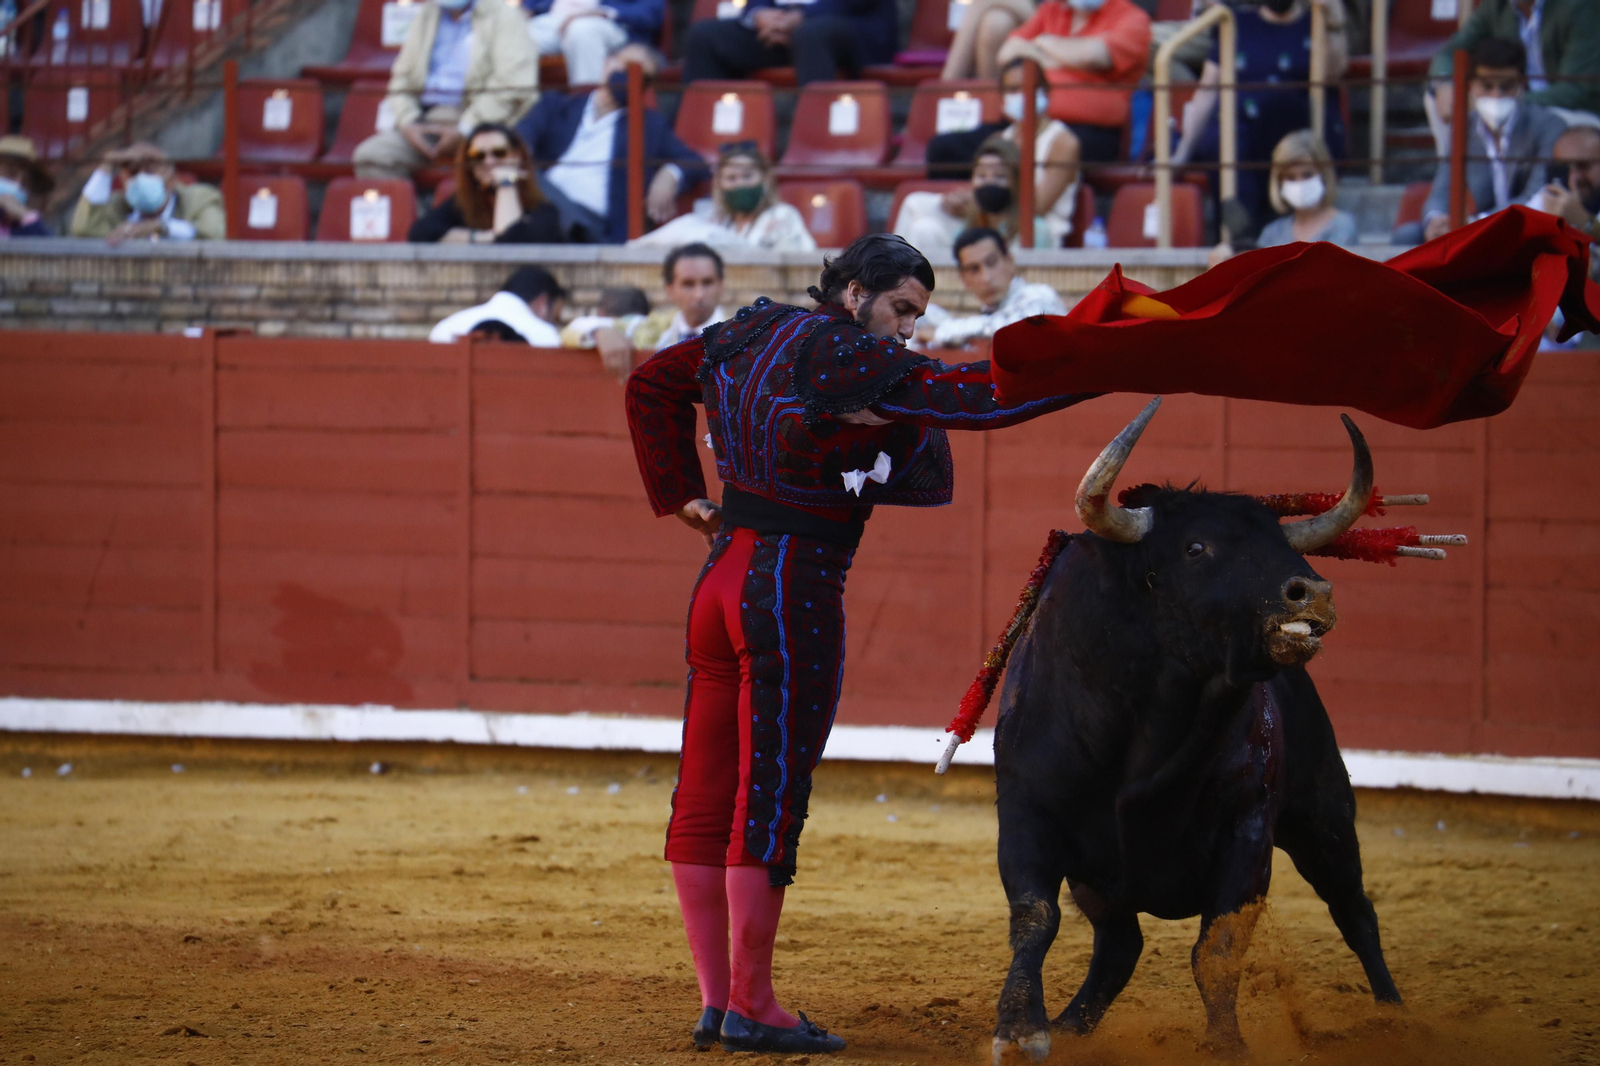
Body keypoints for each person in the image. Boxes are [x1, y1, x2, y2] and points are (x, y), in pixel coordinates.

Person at [624, 233, 1093, 1055]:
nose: (907, 329)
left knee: (706, 790)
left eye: (918, 313)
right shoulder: (845, 352)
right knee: (767, 793)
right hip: (790, 589)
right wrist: (1103, 365)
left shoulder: (746, 329)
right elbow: (980, 399)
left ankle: (717, 1002)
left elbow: (650, 383)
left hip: (721, 579)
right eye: (901, 309)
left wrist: (682, 500)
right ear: (853, 294)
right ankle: (753, 1005)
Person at [1172, 0, 1349, 231]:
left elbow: (1334, 74)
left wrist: (1334, 24)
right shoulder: (1235, 23)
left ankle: (1265, 230)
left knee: (1274, 110)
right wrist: (1181, 154)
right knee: (1219, 137)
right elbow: (1207, 90)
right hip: (1242, 133)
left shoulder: (1314, 22)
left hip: (1296, 127)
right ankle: (1240, 230)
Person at [515, 44, 709, 243]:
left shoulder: (649, 125)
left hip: (591, 225)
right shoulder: (556, 104)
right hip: (541, 204)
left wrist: (670, 174)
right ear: (607, 63)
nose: (631, 78)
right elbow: (519, 139)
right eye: (626, 67)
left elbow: (694, 162)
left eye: (643, 76)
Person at [353, 0, 538, 181]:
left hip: (477, 120)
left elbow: (513, 87)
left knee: (493, 160)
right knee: (371, 158)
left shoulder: (505, 16)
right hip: (423, 118)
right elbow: (401, 78)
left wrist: (466, 128)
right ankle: (415, 211)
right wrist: (409, 122)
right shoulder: (428, 13)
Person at [1415, 36, 1566, 244]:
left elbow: (1538, 195)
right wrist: (1434, 219)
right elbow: (1442, 187)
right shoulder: (1463, 127)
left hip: (1524, 231)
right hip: (1475, 230)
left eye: (1506, 87)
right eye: (1486, 86)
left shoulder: (1549, 126)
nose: (1496, 95)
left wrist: (1474, 223)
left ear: (1522, 84)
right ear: (1470, 86)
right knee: (1407, 235)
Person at [924, 58, 1084, 244]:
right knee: (919, 213)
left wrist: (977, 199)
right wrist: (958, 199)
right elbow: (982, 188)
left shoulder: (1063, 142)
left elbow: (1038, 205)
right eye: (1013, 90)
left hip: (1036, 234)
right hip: (989, 226)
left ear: (1045, 91)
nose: (1022, 96)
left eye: (1028, 88)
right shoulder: (999, 139)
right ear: (1002, 98)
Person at [993, 0, 1152, 171]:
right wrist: (1069, 57)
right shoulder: (1051, 9)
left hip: (1090, 131)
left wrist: (1044, 41)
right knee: (973, 147)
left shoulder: (1133, 18)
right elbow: (1007, 53)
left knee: (1037, 153)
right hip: (1023, 122)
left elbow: (1093, 56)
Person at [1427, 0, 1600, 133]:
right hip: (1513, 101)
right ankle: (1454, 174)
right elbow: (1449, 53)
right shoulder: (1496, 5)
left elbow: (1576, 90)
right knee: (1438, 98)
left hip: (1572, 111)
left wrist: (1506, 104)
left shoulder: (1580, 5)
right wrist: (1445, 83)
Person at [565, 243, 730, 377]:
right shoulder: (652, 327)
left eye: (707, 283)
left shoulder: (741, 332)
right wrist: (600, 332)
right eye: (688, 284)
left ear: (721, 286)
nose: (699, 295)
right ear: (670, 290)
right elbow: (572, 329)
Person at [630, 142, 816, 252]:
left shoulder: (784, 216)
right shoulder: (712, 218)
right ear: (719, 183)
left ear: (765, 179)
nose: (740, 184)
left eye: (747, 176)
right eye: (731, 178)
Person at [1210, 129, 1357, 265]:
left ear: (1324, 175)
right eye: (1291, 177)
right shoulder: (1272, 232)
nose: (1299, 183)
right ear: (1279, 183)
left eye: (1307, 175)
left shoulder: (1342, 226)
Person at [895, 135, 1051, 258]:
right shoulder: (968, 226)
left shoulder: (1036, 230)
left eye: (1000, 176)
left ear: (1016, 182)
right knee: (921, 226)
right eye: (982, 176)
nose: (989, 183)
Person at [680, 0, 899, 86]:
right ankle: (703, 147)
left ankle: (815, 139)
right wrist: (759, 13)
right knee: (704, 36)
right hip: (779, 28)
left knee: (811, 34)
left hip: (847, 25)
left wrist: (804, 16)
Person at [915, 227, 1067, 349]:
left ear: (1009, 261)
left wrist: (943, 332)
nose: (986, 277)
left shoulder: (1040, 295)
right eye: (974, 269)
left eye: (992, 262)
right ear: (963, 278)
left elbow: (1020, 327)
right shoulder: (987, 316)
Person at [408, 123, 563, 243]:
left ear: (517, 157)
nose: (489, 162)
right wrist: (482, 237)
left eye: (499, 153)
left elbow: (509, 243)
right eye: (478, 155)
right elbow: (420, 233)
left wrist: (506, 184)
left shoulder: (542, 209)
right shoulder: (462, 204)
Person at [69, 142, 224, 244]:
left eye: (150, 170)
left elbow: (214, 234)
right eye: (134, 172)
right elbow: (83, 229)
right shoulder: (115, 205)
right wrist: (107, 164)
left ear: (172, 177)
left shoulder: (200, 198)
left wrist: (161, 227)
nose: (141, 177)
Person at [523, 0, 661, 86]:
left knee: (582, 29)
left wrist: (604, 12)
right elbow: (530, 6)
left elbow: (652, 12)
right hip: (550, 20)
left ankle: (584, 110)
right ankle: (509, 118)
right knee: (512, 36)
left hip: (610, 21)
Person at [429, 265, 568, 344]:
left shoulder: (445, 327)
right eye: (555, 317)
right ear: (542, 304)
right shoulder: (545, 336)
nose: (554, 323)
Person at [560, 285, 654, 376]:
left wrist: (599, 332)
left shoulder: (595, 325)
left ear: (602, 312)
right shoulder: (657, 328)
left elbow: (571, 330)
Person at [0, 135, 52, 237]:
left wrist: (25, 215)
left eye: (25, 182)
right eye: (10, 174)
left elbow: (53, 248)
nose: (17, 185)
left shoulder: (25, 228)